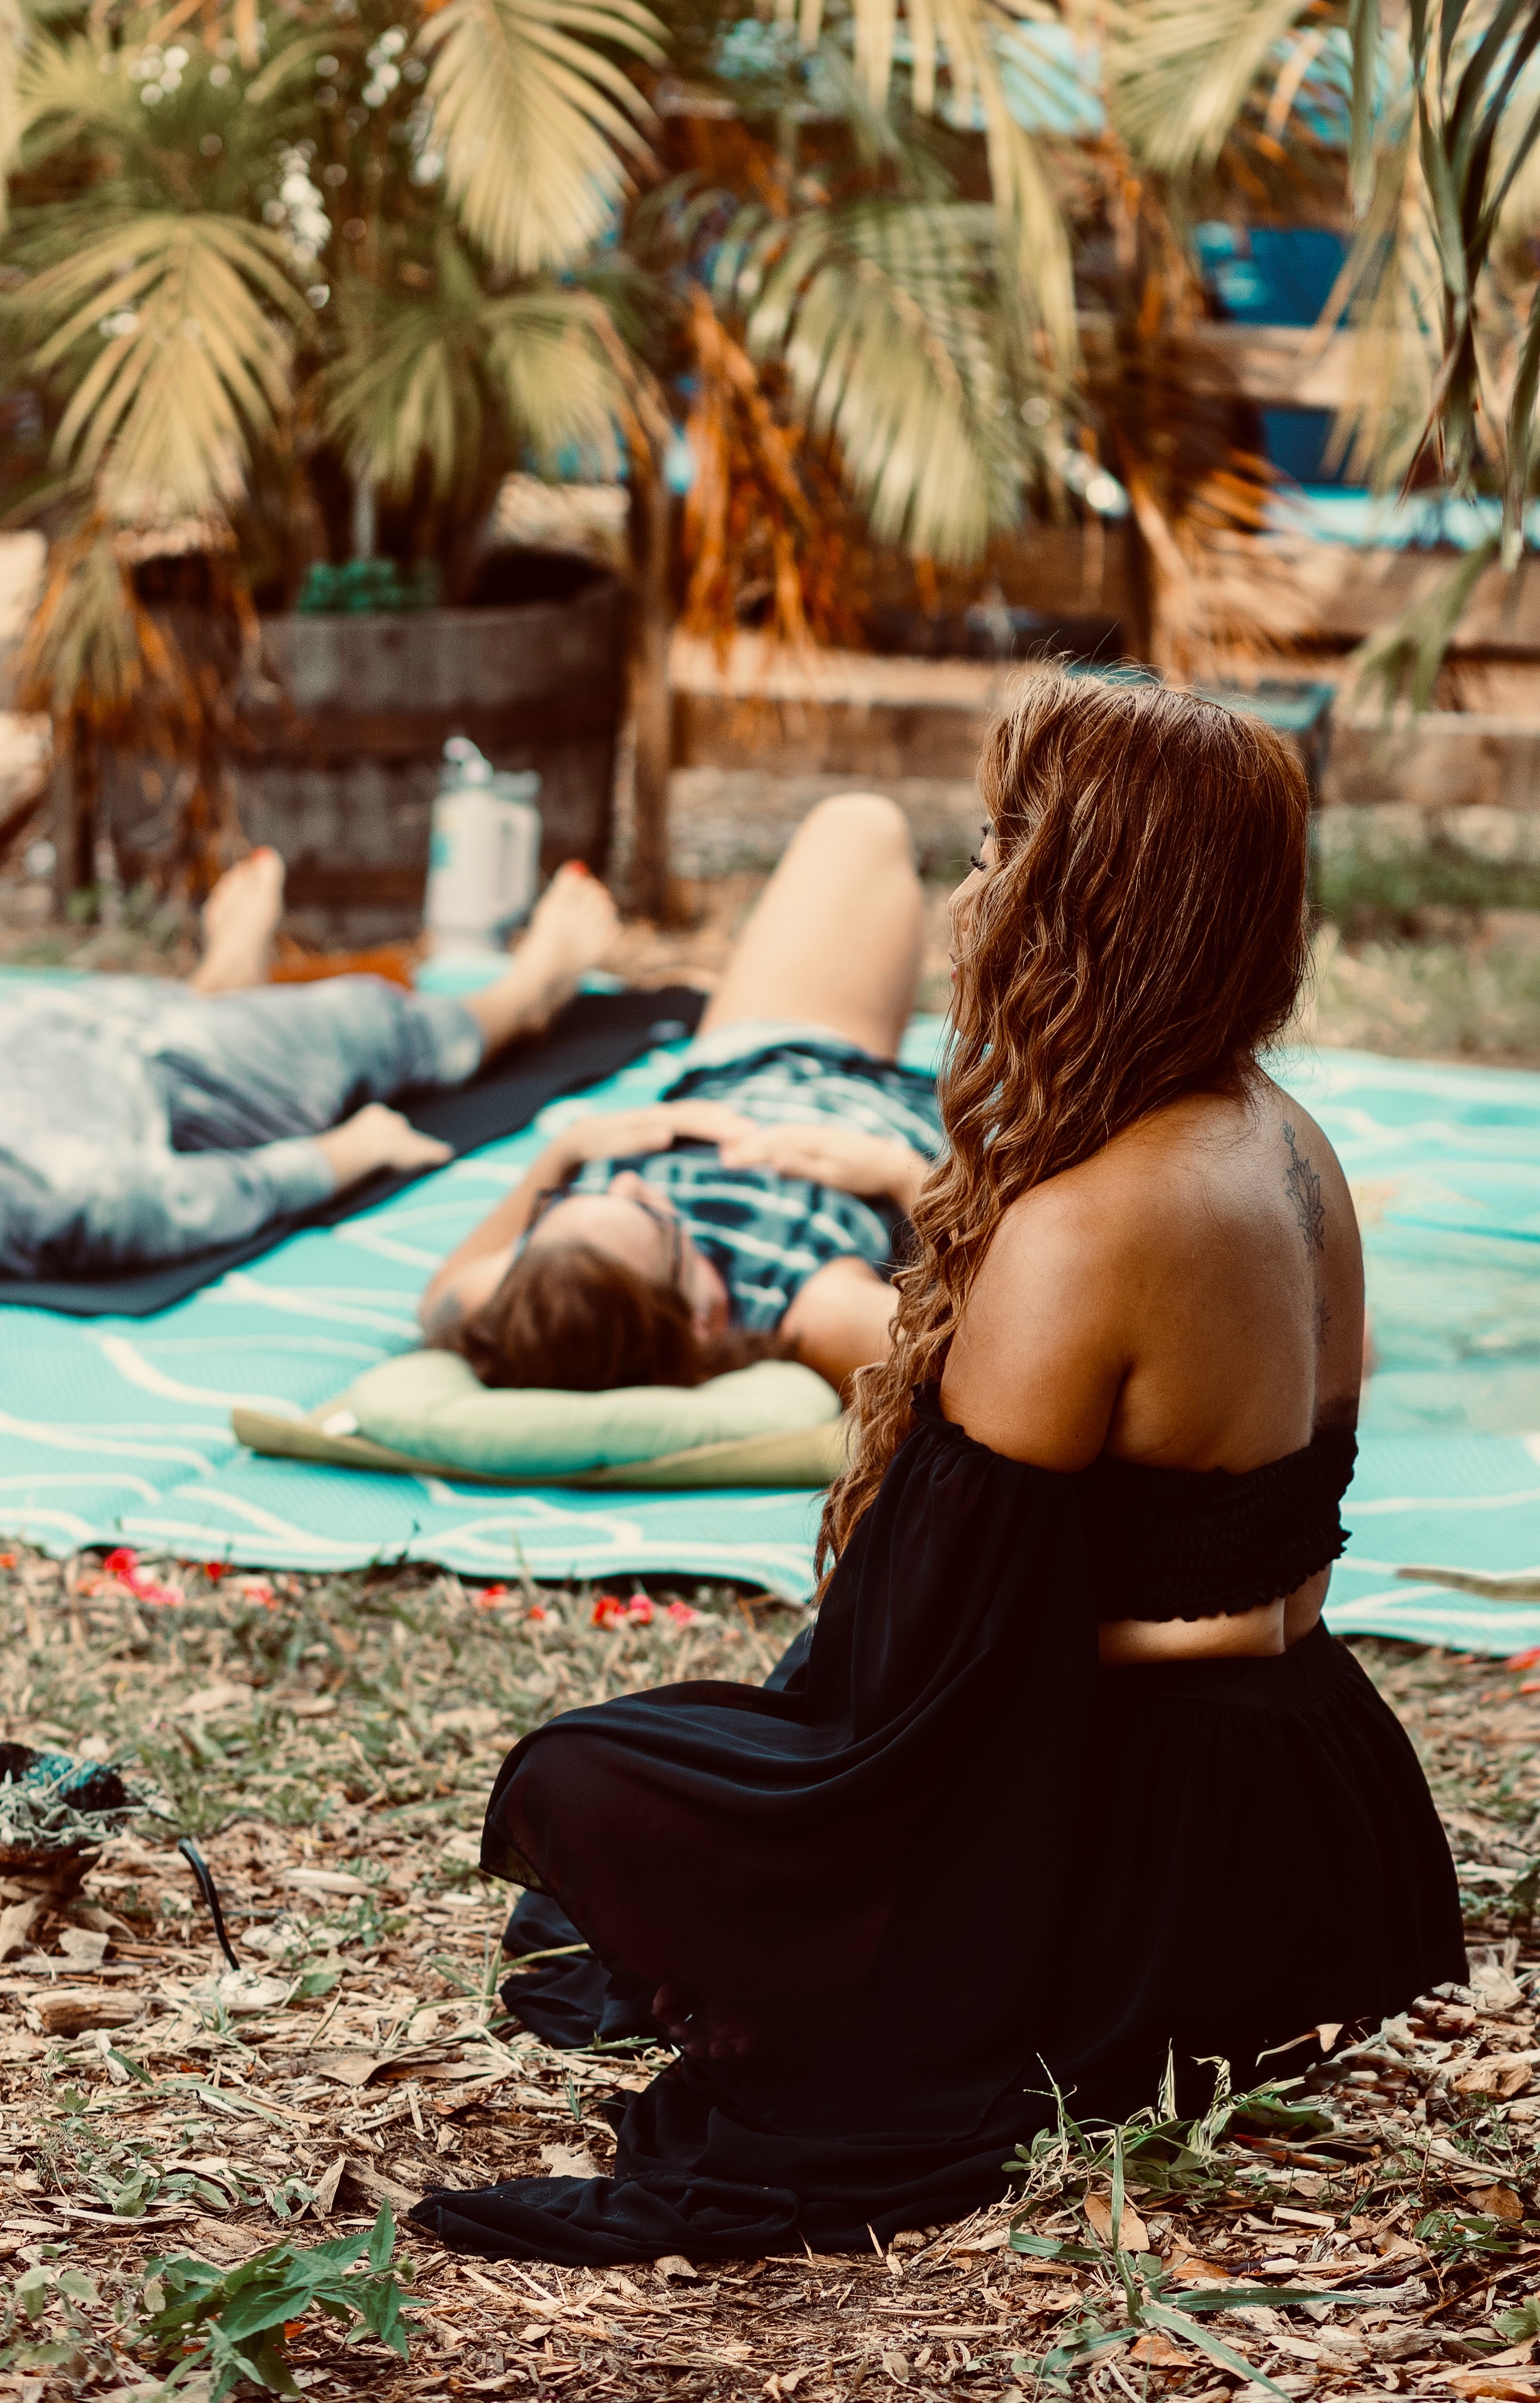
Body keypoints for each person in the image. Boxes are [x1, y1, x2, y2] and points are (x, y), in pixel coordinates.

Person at [410, 670, 1465, 2269]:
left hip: (1144, 1865)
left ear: (1089, 900)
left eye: (1000, 850)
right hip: (1330, 1822)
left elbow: (926, 1681)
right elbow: (1251, 1551)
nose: (970, 893)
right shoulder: (1287, 1137)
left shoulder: (1090, 1219)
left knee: (580, 1775)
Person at [420, 794, 946, 1396]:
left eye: (561, 1206)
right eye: (648, 1216)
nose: (628, 1182)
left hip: (751, 1060)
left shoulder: (548, 1297)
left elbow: (444, 1296)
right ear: (700, 1323)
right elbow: (982, 1361)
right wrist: (903, 1177)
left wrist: (566, 1153)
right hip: (915, 1122)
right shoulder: (811, 1314)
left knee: (857, 825)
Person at [0, 848, 617, 1277]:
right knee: (362, 1024)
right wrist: (342, 1154)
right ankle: (520, 998)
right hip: (151, 1074)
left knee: (141, 1021)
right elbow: (147, 1209)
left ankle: (221, 983)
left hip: (56, 1037)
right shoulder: (61, 1191)